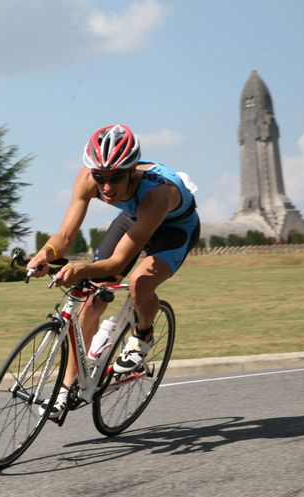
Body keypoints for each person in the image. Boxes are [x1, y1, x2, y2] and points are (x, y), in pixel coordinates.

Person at [26, 123, 200, 417]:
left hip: (174, 227)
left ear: (132, 170)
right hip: (134, 218)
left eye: (115, 178)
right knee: (92, 296)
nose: (106, 187)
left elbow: (118, 263)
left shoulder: (158, 193)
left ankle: (142, 335)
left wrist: (81, 268)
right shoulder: (87, 179)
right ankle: (69, 387)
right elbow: (65, 236)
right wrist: (45, 253)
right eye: (100, 177)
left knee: (140, 282)